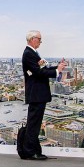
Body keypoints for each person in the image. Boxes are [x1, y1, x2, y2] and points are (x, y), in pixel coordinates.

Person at [21, 30, 67, 160]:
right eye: (39, 39)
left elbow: (43, 69)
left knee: (35, 123)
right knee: (33, 124)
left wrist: (58, 68)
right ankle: (30, 152)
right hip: (36, 94)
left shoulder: (33, 53)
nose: (41, 41)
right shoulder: (29, 53)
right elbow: (38, 73)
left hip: (38, 94)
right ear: (32, 39)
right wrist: (57, 71)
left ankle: (34, 151)